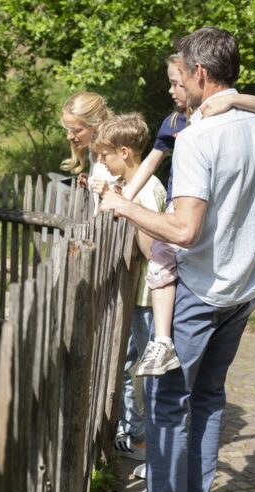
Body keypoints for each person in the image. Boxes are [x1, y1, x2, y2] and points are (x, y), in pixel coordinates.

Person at [99, 27, 255, 492]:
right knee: (207, 398)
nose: (173, 85)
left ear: (199, 73)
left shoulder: (200, 137)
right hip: (244, 290)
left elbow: (184, 230)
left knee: (165, 402)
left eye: (181, 74)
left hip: (201, 290)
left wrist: (125, 207)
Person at [119, 55, 255, 378]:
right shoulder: (174, 123)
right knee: (162, 256)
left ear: (195, 77)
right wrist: (125, 198)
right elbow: (151, 163)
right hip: (187, 203)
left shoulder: (232, 113)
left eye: (176, 81)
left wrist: (230, 101)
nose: (174, 89)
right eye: (171, 82)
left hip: (238, 203)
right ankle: (162, 340)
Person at [90, 113, 167, 464]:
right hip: (139, 294)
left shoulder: (149, 189)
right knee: (133, 366)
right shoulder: (133, 187)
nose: (101, 161)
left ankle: (145, 444)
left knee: (145, 372)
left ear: (125, 151)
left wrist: (128, 209)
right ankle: (139, 434)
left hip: (150, 297)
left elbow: (152, 248)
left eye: (106, 155)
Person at [59, 91, 118, 212]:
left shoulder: (115, 155)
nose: (69, 137)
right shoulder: (93, 155)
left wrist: (107, 193)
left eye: (76, 130)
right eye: (68, 130)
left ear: (97, 123)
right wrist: (90, 181)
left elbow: (131, 199)